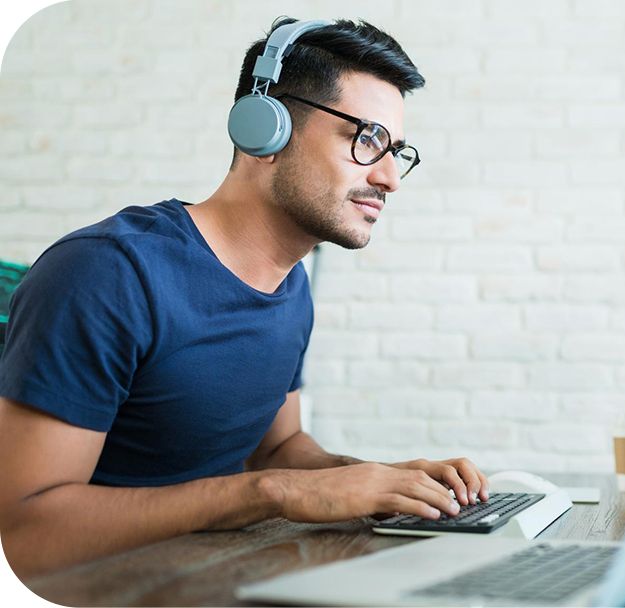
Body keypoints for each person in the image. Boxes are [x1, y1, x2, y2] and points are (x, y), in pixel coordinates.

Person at [0, 17, 488, 579]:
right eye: (367, 139)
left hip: (216, 577)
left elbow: (277, 449)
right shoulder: (106, 274)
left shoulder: (291, 284)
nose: (389, 179)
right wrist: (272, 493)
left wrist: (383, 482)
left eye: (395, 150)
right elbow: (22, 532)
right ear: (265, 131)